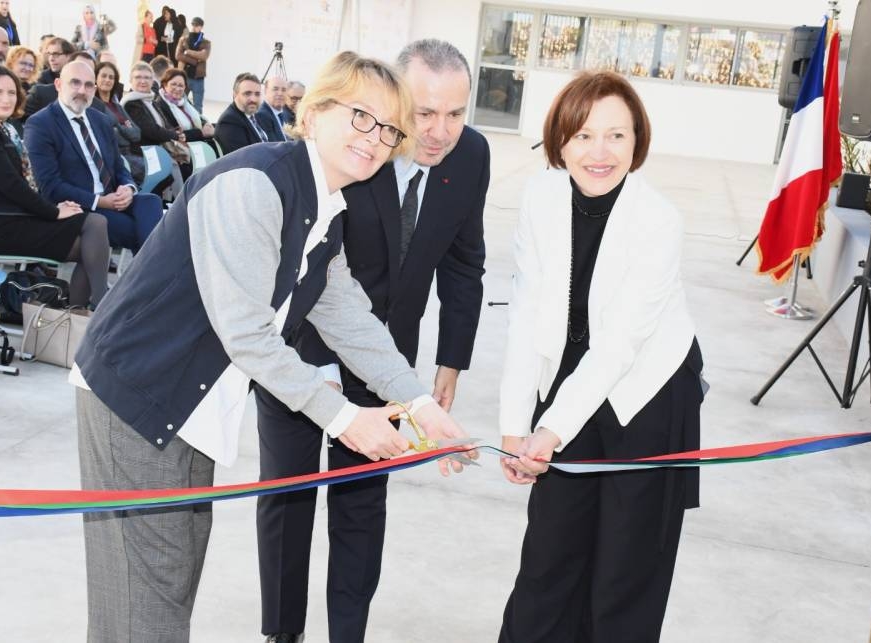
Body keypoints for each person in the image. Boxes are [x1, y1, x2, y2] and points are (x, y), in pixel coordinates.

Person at [73, 49, 473, 643]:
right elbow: (249, 334)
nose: (375, 137)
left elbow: (348, 316)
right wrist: (346, 419)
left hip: (187, 406)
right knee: (143, 599)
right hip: (138, 395)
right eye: (361, 115)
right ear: (315, 111)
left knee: (167, 582)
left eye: (389, 129)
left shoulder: (324, 207)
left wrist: (419, 404)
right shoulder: (256, 185)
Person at [255, 39, 490, 643]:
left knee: (362, 504)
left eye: (456, 114)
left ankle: (346, 634)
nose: (439, 132)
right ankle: (283, 633)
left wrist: (451, 360)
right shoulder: (355, 148)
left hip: (388, 360)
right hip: (303, 349)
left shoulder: (472, 158)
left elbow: (465, 262)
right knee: (289, 497)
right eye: (423, 113)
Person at [497, 70, 704, 643]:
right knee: (549, 553)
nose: (599, 152)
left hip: (649, 395)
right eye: (583, 135)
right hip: (569, 379)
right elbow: (527, 312)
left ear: (638, 141)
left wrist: (551, 430)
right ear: (560, 139)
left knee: (625, 568)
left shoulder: (658, 219)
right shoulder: (540, 197)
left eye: (617, 135)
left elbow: (620, 345)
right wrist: (517, 427)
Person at [0, 64, 109, 308]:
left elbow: (22, 185)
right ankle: (100, 308)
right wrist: (54, 212)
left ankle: (80, 313)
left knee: (95, 232)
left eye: (11, 93)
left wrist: (56, 206)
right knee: (94, 229)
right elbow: (11, 186)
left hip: (18, 218)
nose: (6, 99)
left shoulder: (4, 127)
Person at [24, 60, 162, 255]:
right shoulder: (41, 124)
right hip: (80, 207)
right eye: (75, 83)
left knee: (151, 202)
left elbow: (119, 167)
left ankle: (148, 278)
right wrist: (101, 202)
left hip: (114, 199)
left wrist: (128, 188)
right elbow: (50, 186)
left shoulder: (101, 120)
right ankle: (153, 277)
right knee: (143, 231)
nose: (82, 90)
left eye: (89, 85)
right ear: (58, 85)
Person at [121, 60, 190, 181]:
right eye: (138, 77)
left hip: (158, 148)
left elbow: (165, 124)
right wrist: (175, 135)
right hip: (142, 152)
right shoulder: (131, 103)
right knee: (171, 175)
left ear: (152, 81)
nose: (143, 81)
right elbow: (150, 130)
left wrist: (176, 133)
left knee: (186, 167)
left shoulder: (151, 100)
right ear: (131, 80)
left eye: (147, 78)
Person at [95, 60, 144, 184]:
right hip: (118, 156)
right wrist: (124, 125)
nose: (107, 80)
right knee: (148, 171)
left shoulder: (117, 106)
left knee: (163, 169)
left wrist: (118, 126)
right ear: (95, 78)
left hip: (132, 152)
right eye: (104, 76)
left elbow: (137, 134)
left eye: (111, 77)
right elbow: (114, 136)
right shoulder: (94, 105)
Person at [156, 68, 215, 143]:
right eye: (173, 84)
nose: (177, 88)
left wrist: (205, 124)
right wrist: (201, 133)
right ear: (165, 85)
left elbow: (198, 117)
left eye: (181, 86)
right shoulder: (160, 105)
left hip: (197, 143)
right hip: (179, 148)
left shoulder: (185, 101)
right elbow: (173, 134)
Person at [215, 71, 268, 154]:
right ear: (235, 95)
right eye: (247, 93)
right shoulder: (230, 121)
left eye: (257, 94)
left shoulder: (254, 116)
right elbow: (243, 159)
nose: (253, 99)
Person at [174, 15, 208, 110]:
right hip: (184, 76)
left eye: (197, 25)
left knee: (198, 106)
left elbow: (204, 56)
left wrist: (188, 52)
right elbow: (178, 55)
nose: (194, 27)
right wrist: (195, 60)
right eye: (193, 24)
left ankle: (198, 125)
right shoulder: (183, 39)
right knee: (179, 103)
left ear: (201, 27)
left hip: (198, 78)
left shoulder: (206, 43)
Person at [256, 75, 287, 141]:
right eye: (275, 89)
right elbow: (273, 145)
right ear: (265, 91)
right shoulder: (262, 115)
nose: (280, 93)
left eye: (284, 90)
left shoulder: (282, 114)